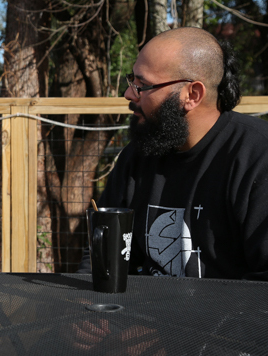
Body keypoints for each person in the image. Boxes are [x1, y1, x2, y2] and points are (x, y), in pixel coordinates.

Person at [79, 26, 268, 281]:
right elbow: (100, 255)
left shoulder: (257, 157)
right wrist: (89, 309)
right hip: (134, 315)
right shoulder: (139, 155)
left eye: (142, 85)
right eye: (131, 81)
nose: (128, 94)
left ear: (192, 95)